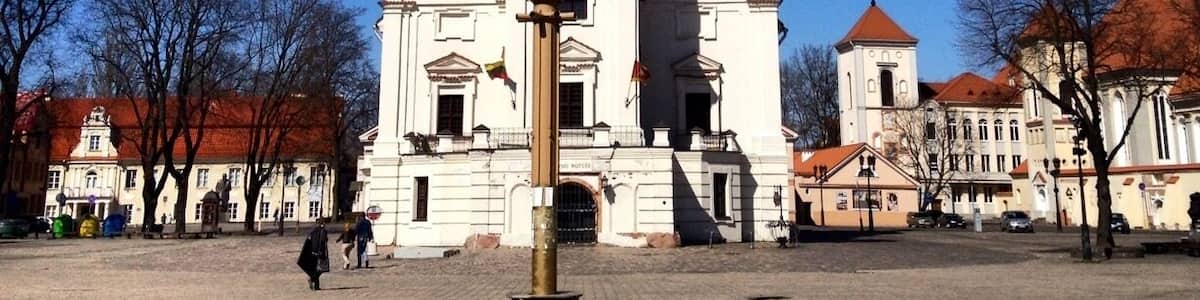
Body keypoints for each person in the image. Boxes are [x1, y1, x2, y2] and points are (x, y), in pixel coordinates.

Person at [297, 218, 330, 290]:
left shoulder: (313, 231)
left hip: (312, 252)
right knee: (321, 269)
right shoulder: (323, 231)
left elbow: (309, 240)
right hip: (320, 252)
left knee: (316, 269)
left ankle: (316, 286)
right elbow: (323, 241)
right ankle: (312, 279)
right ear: (323, 223)